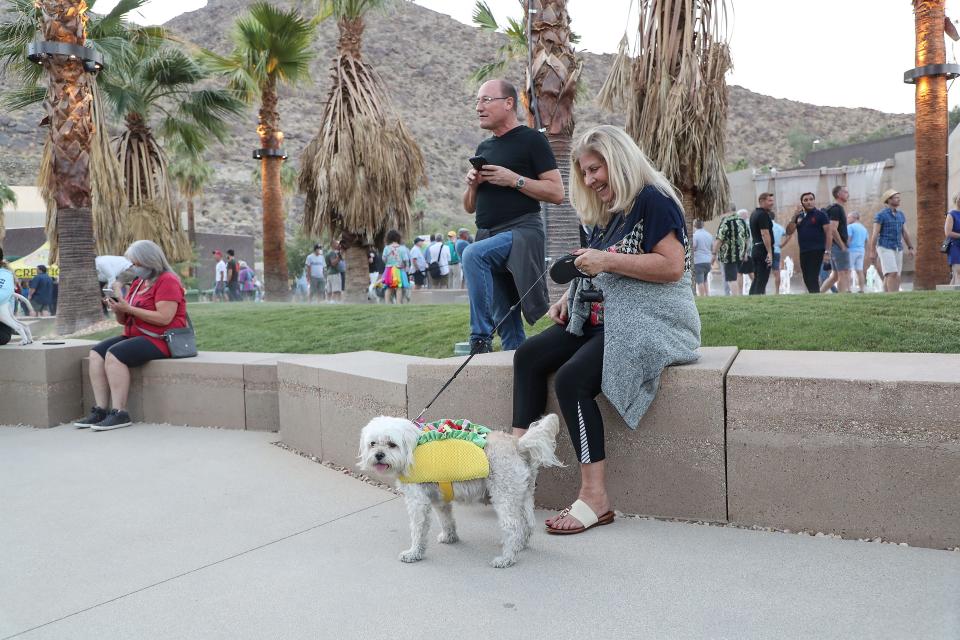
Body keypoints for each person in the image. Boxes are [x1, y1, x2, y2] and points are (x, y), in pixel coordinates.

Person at [512, 125, 700, 534]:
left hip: (652, 322)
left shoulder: (654, 201)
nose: (591, 180)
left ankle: (595, 497)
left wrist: (607, 262)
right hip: (600, 318)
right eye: (585, 173)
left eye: (596, 169)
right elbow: (591, 266)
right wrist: (567, 297)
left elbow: (671, 266)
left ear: (618, 161)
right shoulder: (601, 213)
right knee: (528, 355)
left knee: (573, 379)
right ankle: (514, 474)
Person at [462, 78, 564, 354]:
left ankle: (480, 339)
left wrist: (514, 180)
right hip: (488, 234)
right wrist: (472, 185)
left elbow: (557, 193)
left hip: (521, 232)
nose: (478, 107)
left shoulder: (532, 139)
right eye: (477, 101)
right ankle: (515, 374)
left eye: (486, 100)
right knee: (508, 321)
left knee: (472, 255)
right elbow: (470, 207)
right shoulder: (484, 148)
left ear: (509, 103)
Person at [75, 240, 188, 431]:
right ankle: (101, 409)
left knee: (115, 355)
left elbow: (164, 318)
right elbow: (124, 319)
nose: (133, 267)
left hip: (162, 338)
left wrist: (129, 308)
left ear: (149, 260)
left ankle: (120, 413)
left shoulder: (167, 280)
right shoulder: (138, 282)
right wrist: (118, 307)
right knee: (96, 354)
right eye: (132, 263)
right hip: (136, 334)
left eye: (136, 263)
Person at [781, 192, 831, 293]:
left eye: (811, 199)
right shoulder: (799, 216)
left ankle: (815, 298)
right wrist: (794, 216)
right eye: (806, 200)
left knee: (812, 276)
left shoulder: (821, 214)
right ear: (802, 203)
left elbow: (829, 234)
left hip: (817, 250)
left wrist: (827, 251)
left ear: (814, 200)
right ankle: (814, 296)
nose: (809, 202)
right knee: (806, 277)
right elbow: (789, 231)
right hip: (804, 250)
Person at [868, 189, 914, 293]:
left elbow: (905, 232)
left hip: (898, 247)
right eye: (896, 197)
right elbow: (875, 234)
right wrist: (872, 251)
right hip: (884, 247)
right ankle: (893, 296)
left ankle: (888, 296)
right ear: (888, 200)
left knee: (895, 274)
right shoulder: (881, 215)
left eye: (899, 197)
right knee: (892, 272)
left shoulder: (901, 214)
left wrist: (910, 247)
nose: (899, 199)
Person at [820, 185, 851, 293]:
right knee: (843, 272)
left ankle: (819, 294)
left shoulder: (833, 208)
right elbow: (833, 229)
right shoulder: (837, 209)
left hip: (834, 246)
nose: (848, 194)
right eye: (845, 192)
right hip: (838, 246)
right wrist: (842, 245)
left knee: (835, 275)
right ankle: (842, 299)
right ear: (838, 194)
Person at [713, 209, 749, 296]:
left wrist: (714, 253)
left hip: (729, 256)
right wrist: (745, 253)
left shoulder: (726, 221)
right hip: (740, 255)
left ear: (727, 210)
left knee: (731, 279)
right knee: (736, 276)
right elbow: (747, 238)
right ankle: (738, 295)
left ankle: (735, 298)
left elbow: (719, 239)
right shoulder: (742, 221)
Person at [748, 193, 775, 295]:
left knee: (758, 277)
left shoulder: (754, 213)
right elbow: (765, 233)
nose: (772, 203)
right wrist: (769, 252)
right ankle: (757, 300)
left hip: (756, 248)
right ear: (762, 201)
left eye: (772, 200)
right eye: (769, 201)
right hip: (762, 249)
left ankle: (752, 298)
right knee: (762, 279)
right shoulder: (763, 214)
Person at [381, 229, 411, 304]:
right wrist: (406, 268)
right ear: (398, 237)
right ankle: (398, 304)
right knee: (399, 287)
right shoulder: (402, 248)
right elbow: (406, 260)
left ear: (388, 238)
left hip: (389, 270)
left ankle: (387, 304)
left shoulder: (386, 248)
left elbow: (384, 259)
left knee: (388, 287)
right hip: (399, 269)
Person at [846, 211, 869, 292]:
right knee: (859, 271)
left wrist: (845, 247)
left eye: (849, 217)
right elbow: (866, 241)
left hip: (851, 250)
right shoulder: (864, 228)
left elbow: (849, 239)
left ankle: (848, 289)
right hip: (861, 251)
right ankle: (862, 289)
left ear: (854, 218)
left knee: (848, 270)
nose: (847, 219)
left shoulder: (850, 227)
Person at [691, 218, 714, 296]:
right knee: (705, 279)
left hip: (699, 261)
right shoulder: (709, 235)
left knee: (699, 280)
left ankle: (702, 296)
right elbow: (712, 248)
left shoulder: (695, 235)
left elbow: (693, 247)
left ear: (694, 226)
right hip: (708, 260)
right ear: (703, 225)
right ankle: (707, 295)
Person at [945, 194, 960, 285]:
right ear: (956, 200)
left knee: (957, 275)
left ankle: (949, 293)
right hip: (955, 246)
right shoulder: (951, 214)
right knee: (958, 271)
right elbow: (948, 233)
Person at [771, 212, 786, 294]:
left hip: (767, 251)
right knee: (777, 272)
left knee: (763, 272)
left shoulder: (765, 226)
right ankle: (777, 291)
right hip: (777, 250)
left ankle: (762, 291)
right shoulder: (779, 227)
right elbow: (788, 234)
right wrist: (783, 245)